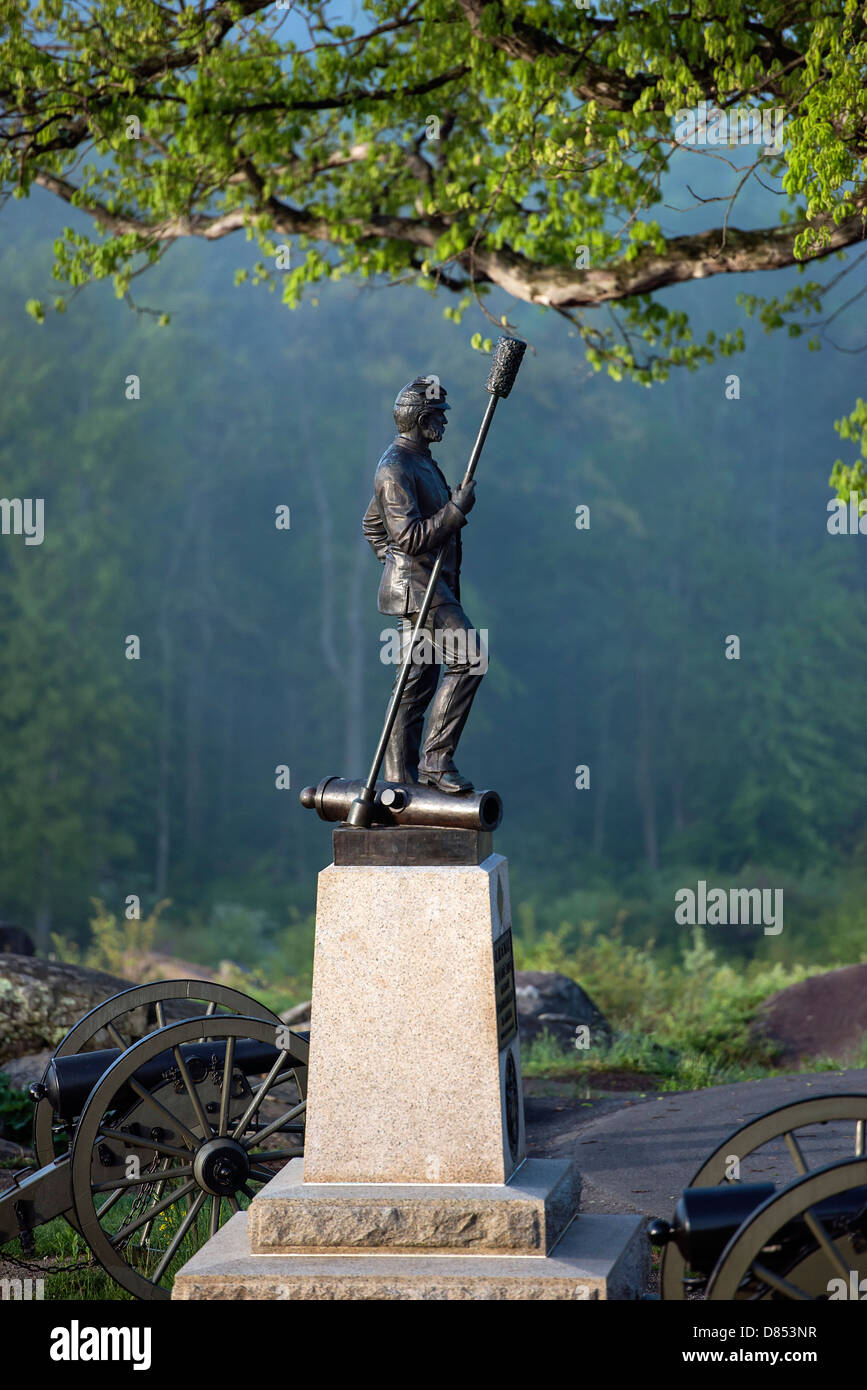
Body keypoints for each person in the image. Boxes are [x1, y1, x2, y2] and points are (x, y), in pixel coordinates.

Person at [362, 377, 485, 794]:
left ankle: (400, 783)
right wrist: (454, 511)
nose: (443, 425)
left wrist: (397, 562)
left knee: (413, 687)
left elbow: (374, 526)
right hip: (421, 592)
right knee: (470, 656)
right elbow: (408, 537)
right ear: (418, 418)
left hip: (427, 588)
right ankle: (435, 761)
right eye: (437, 417)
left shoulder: (420, 461)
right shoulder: (393, 468)